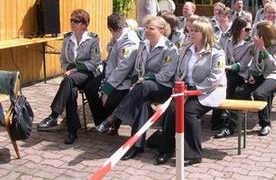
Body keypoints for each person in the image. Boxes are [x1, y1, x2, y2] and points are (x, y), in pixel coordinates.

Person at [96, 16, 179, 160]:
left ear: (161, 30)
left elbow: (166, 75)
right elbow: (137, 69)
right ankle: (136, 146)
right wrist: (137, 81)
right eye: (146, 27)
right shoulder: (143, 44)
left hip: (163, 88)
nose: (146, 30)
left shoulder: (170, 48)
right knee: (142, 104)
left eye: (151, 28)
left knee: (144, 86)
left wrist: (147, 78)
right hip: (142, 87)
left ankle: (113, 117)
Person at [156, 17, 226, 166]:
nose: (191, 33)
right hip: (185, 89)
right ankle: (165, 150)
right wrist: (179, 87)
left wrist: (193, 91)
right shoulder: (186, 49)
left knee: (188, 112)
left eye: (196, 31)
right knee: (171, 110)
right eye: (191, 30)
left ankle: (193, 154)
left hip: (208, 91)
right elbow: (178, 71)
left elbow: (215, 78)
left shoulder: (217, 52)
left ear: (205, 33)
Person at [37, 9, 101, 144]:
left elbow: (95, 62)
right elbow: (63, 60)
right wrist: (68, 69)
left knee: (69, 79)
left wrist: (74, 70)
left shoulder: (93, 39)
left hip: (87, 74)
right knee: (70, 92)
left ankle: (54, 115)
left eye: (76, 21)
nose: (72, 23)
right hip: (71, 75)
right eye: (71, 20)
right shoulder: (67, 38)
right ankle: (72, 131)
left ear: (84, 24)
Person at [84, 13, 140, 134]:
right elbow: (111, 46)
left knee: (109, 100)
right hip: (110, 72)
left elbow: (122, 69)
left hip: (125, 79)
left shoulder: (129, 41)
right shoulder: (120, 35)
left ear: (111, 29)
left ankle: (112, 124)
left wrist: (106, 90)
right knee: (90, 89)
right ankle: (101, 122)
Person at [236, 21, 276, 136]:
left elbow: (274, 64)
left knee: (259, 94)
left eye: (260, 34)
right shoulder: (258, 42)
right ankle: (249, 112)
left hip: (274, 74)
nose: (258, 36)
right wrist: (251, 74)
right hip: (260, 72)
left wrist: (263, 48)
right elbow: (254, 61)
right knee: (240, 91)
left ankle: (265, 124)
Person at [214, 17, 253, 138]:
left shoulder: (250, 44)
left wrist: (228, 68)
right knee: (217, 82)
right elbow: (219, 53)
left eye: (250, 29)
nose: (249, 32)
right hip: (224, 70)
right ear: (238, 29)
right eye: (246, 29)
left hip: (241, 74)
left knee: (230, 83)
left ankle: (229, 125)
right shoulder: (226, 39)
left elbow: (244, 64)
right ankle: (217, 118)